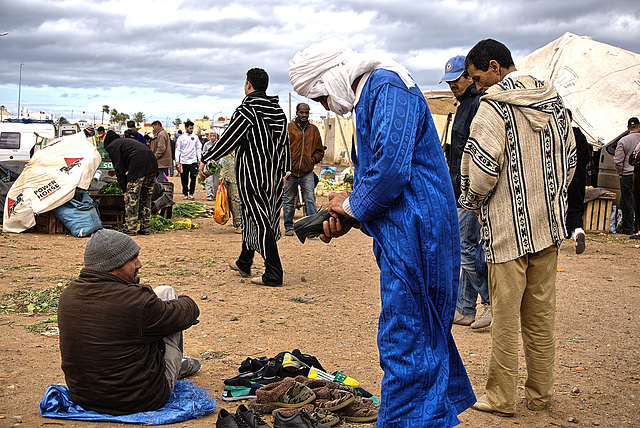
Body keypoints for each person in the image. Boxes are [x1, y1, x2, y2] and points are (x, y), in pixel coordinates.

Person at [289, 39, 474, 427]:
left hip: (420, 233)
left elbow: (390, 174)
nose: (326, 105)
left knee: (406, 340)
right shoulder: (372, 93)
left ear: (333, 75)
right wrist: (352, 215)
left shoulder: (385, 86)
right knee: (421, 334)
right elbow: (382, 178)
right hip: (407, 232)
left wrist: (351, 206)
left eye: (322, 95)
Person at [460, 39, 576, 417]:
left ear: (495, 67)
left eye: (477, 77)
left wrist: (472, 203)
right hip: (548, 230)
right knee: (541, 318)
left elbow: (481, 170)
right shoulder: (555, 103)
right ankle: (540, 395)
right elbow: (571, 161)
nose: (475, 85)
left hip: (508, 233)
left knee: (506, 320)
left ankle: (501, 398)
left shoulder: (493, 108)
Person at [58, 228, 200, 415]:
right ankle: (173, 369)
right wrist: (182, 302)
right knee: (167, 293)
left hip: (83, 397)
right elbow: (189, 311)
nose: (139, 264)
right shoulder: (136, 302)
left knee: (153, 314)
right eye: (133, 259)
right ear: (114, 266)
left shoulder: (68, 295)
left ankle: (171, 361)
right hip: (141, 399)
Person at [200, 68, 289, 287]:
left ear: (248, 85)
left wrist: (206, 158)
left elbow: (229, 139)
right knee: (257, 215)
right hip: (274, 176)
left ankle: (274, 273)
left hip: (252, 174)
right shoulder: (277, 111)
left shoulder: (247, 110)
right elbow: (285, 144)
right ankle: (244, 261)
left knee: (260, 219)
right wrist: (285, 171)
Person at [440, 55, 490, 329]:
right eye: (449, 82)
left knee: (463, 248)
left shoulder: (478, 105)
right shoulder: (463, 106)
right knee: (466, 246)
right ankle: (465, 308)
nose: (452, 85)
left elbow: (475, 152)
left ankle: (490, 302)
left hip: (470, 191)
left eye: (456, 80)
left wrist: (472, 191)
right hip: (459, 189)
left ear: (469, 77)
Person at [104, 130, 158, 236]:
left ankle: (130, 228)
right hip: (152, 165)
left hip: (139, 168)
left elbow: (120, 170)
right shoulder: (124, 142)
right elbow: (130, 157)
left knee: (132, 199)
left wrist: (125, 190)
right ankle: (145, 227)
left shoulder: (113, 146)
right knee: (145, 198)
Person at [283, 103, 325, 236]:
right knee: (288, 200)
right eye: (302, 112)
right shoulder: (289, 128)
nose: (304, 115)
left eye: (306, 113)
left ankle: (312, 228)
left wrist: (312, 160)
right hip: (291, 172)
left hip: (307, 172)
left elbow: (320, 150)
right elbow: (281, 149)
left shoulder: (313, 130)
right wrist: (285, 166)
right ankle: (289, 226)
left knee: (310, 199)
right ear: (297, 113)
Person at [565, 110, 592, 253]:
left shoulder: (557, 133)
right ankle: (578, 232)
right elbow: (587, 157)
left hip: (561, 178)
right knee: (575, 208)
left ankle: (555, 238)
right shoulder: (579, 135)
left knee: (557, 208)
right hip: (578, 178)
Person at [614, 117, 640, 235]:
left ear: (628, 127)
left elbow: (618, 160)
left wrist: (620, 172)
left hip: (628, 174)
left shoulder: (623, 141)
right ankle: (638, 228)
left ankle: (628, 228)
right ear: (639, 126)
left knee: (628, 200)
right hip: (638, 172)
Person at [176, 121, 201, 200]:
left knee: (193, 177)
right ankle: (185, 193)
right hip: (183, 161)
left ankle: (191, 193)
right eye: (190, 128)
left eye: (192, 128)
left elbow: (198, 148)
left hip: (193, 161)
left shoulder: (195, 137)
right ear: (186, 128)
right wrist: (177, 160)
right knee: (184, 178)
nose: (191, 130)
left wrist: (199, 159)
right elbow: (178, 149)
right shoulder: (181, 138)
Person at [201, 131, 220, 201]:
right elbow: (204, 154)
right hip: (208, 166)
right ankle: (209, 194)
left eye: (213, 136)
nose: (212, 137)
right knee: (208, 180)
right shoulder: (206, 144)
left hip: (217, 166)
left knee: (215, 182)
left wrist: (218, 164)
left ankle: (214, 194)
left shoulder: (219, 144)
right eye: (211, 136)